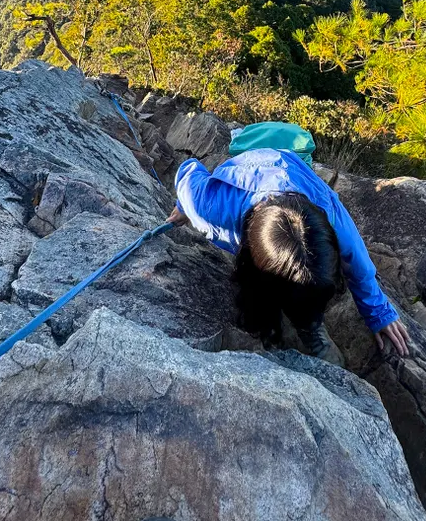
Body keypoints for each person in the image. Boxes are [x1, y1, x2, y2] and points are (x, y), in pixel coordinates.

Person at [169, 121, 409, 362]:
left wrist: (378, 312)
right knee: (269, 294)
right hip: (251, 156)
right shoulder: (211, 207)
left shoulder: (328, 212)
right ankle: (281, 316)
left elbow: (358, 262)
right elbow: (189, 171)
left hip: (289, 161)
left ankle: (308, 323)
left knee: (302, 287)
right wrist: (184, 206)